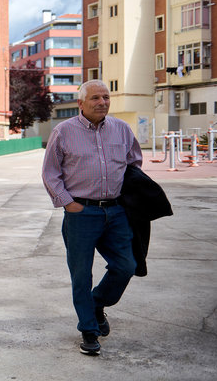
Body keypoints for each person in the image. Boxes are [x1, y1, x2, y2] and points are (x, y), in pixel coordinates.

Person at [42, 80, 142, 356]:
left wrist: (130, 198)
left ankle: (97, 304)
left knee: (126, 266)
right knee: (81, 274)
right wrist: (69, 204)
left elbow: (134, 163)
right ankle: (88, 328)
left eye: (106, 97)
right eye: (95, 98)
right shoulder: (63, 132)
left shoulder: (122, 129)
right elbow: (50, 173)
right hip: (81, 214)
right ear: (81, 104)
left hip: (116, 211)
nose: (102, 102)